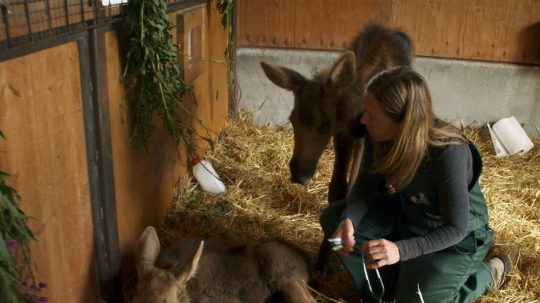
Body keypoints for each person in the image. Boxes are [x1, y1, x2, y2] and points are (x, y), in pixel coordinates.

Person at [320, 67, 511, 302]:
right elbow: (364, 187)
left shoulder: (447, 149)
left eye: (372, 115)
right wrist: (349, 220)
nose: (363, 119)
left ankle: (489, 273)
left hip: (455, 235)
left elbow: (456, 227)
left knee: (418, 299)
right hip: (410, 213)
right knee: (332, 218)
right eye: (365, 111)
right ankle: (384, 288)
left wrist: (401, 250)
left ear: (403, 122)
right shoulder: (377, 133)